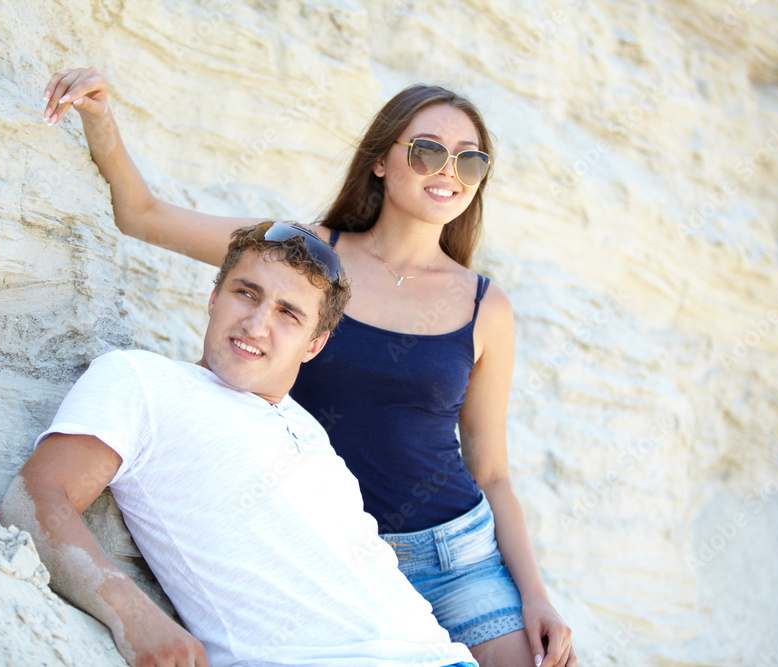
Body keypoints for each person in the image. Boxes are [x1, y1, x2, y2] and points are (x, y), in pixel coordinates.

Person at [40, 67, 576, 667]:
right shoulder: (303, 260)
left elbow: (492, 471)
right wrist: (99, 117)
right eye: (428, 151)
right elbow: (143, 215)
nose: (448, 171)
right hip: (333, 557)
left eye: (469, 160)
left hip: (456, 556)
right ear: (381, 160)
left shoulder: (486, 306)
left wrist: (536, 595)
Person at [0, 221, 479, 667]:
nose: (256, 324)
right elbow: (31, 499)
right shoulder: (143, 380)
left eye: (288, 313)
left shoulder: (310, 430)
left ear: (315, 344)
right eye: (246, 293)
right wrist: (133, 614)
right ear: (213, 297)